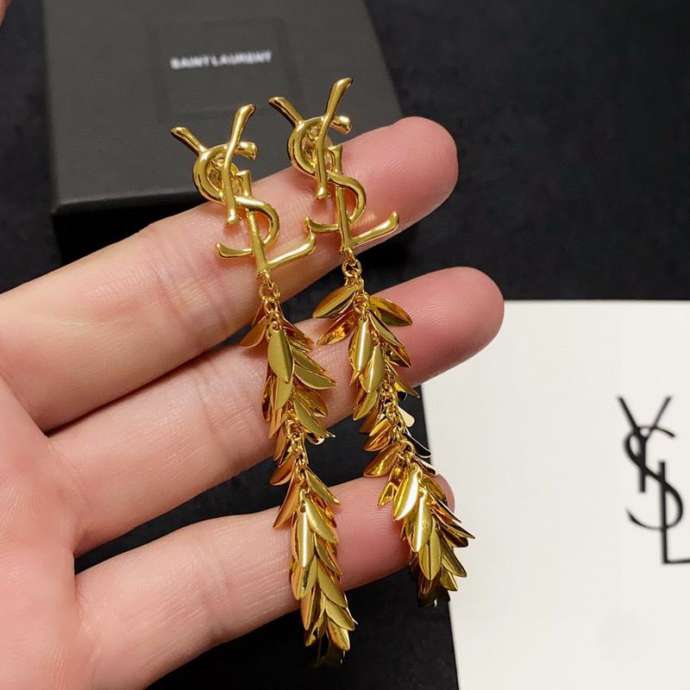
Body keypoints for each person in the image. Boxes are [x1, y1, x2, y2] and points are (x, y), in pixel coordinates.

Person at [0, 4, 503, 687]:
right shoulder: (256, 231)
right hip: (286, 293)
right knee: (315, 437)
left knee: (383, 408)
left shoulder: (312, 213)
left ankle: (409, 535)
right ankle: (362, 561)